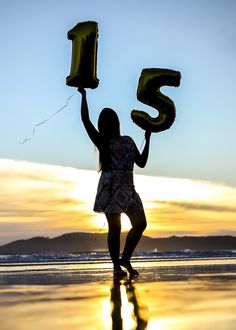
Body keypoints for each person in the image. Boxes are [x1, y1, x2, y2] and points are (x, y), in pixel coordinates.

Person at [78, 88, 151, 277]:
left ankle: (125, 259)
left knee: (140, 224)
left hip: (128, 188)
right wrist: (83, 96)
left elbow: (141, 162)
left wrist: (148, 139)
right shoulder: (103, 142)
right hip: (110, 188)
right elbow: (85, 121)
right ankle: (116, 267)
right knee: (115, 228)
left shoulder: (128, 141)